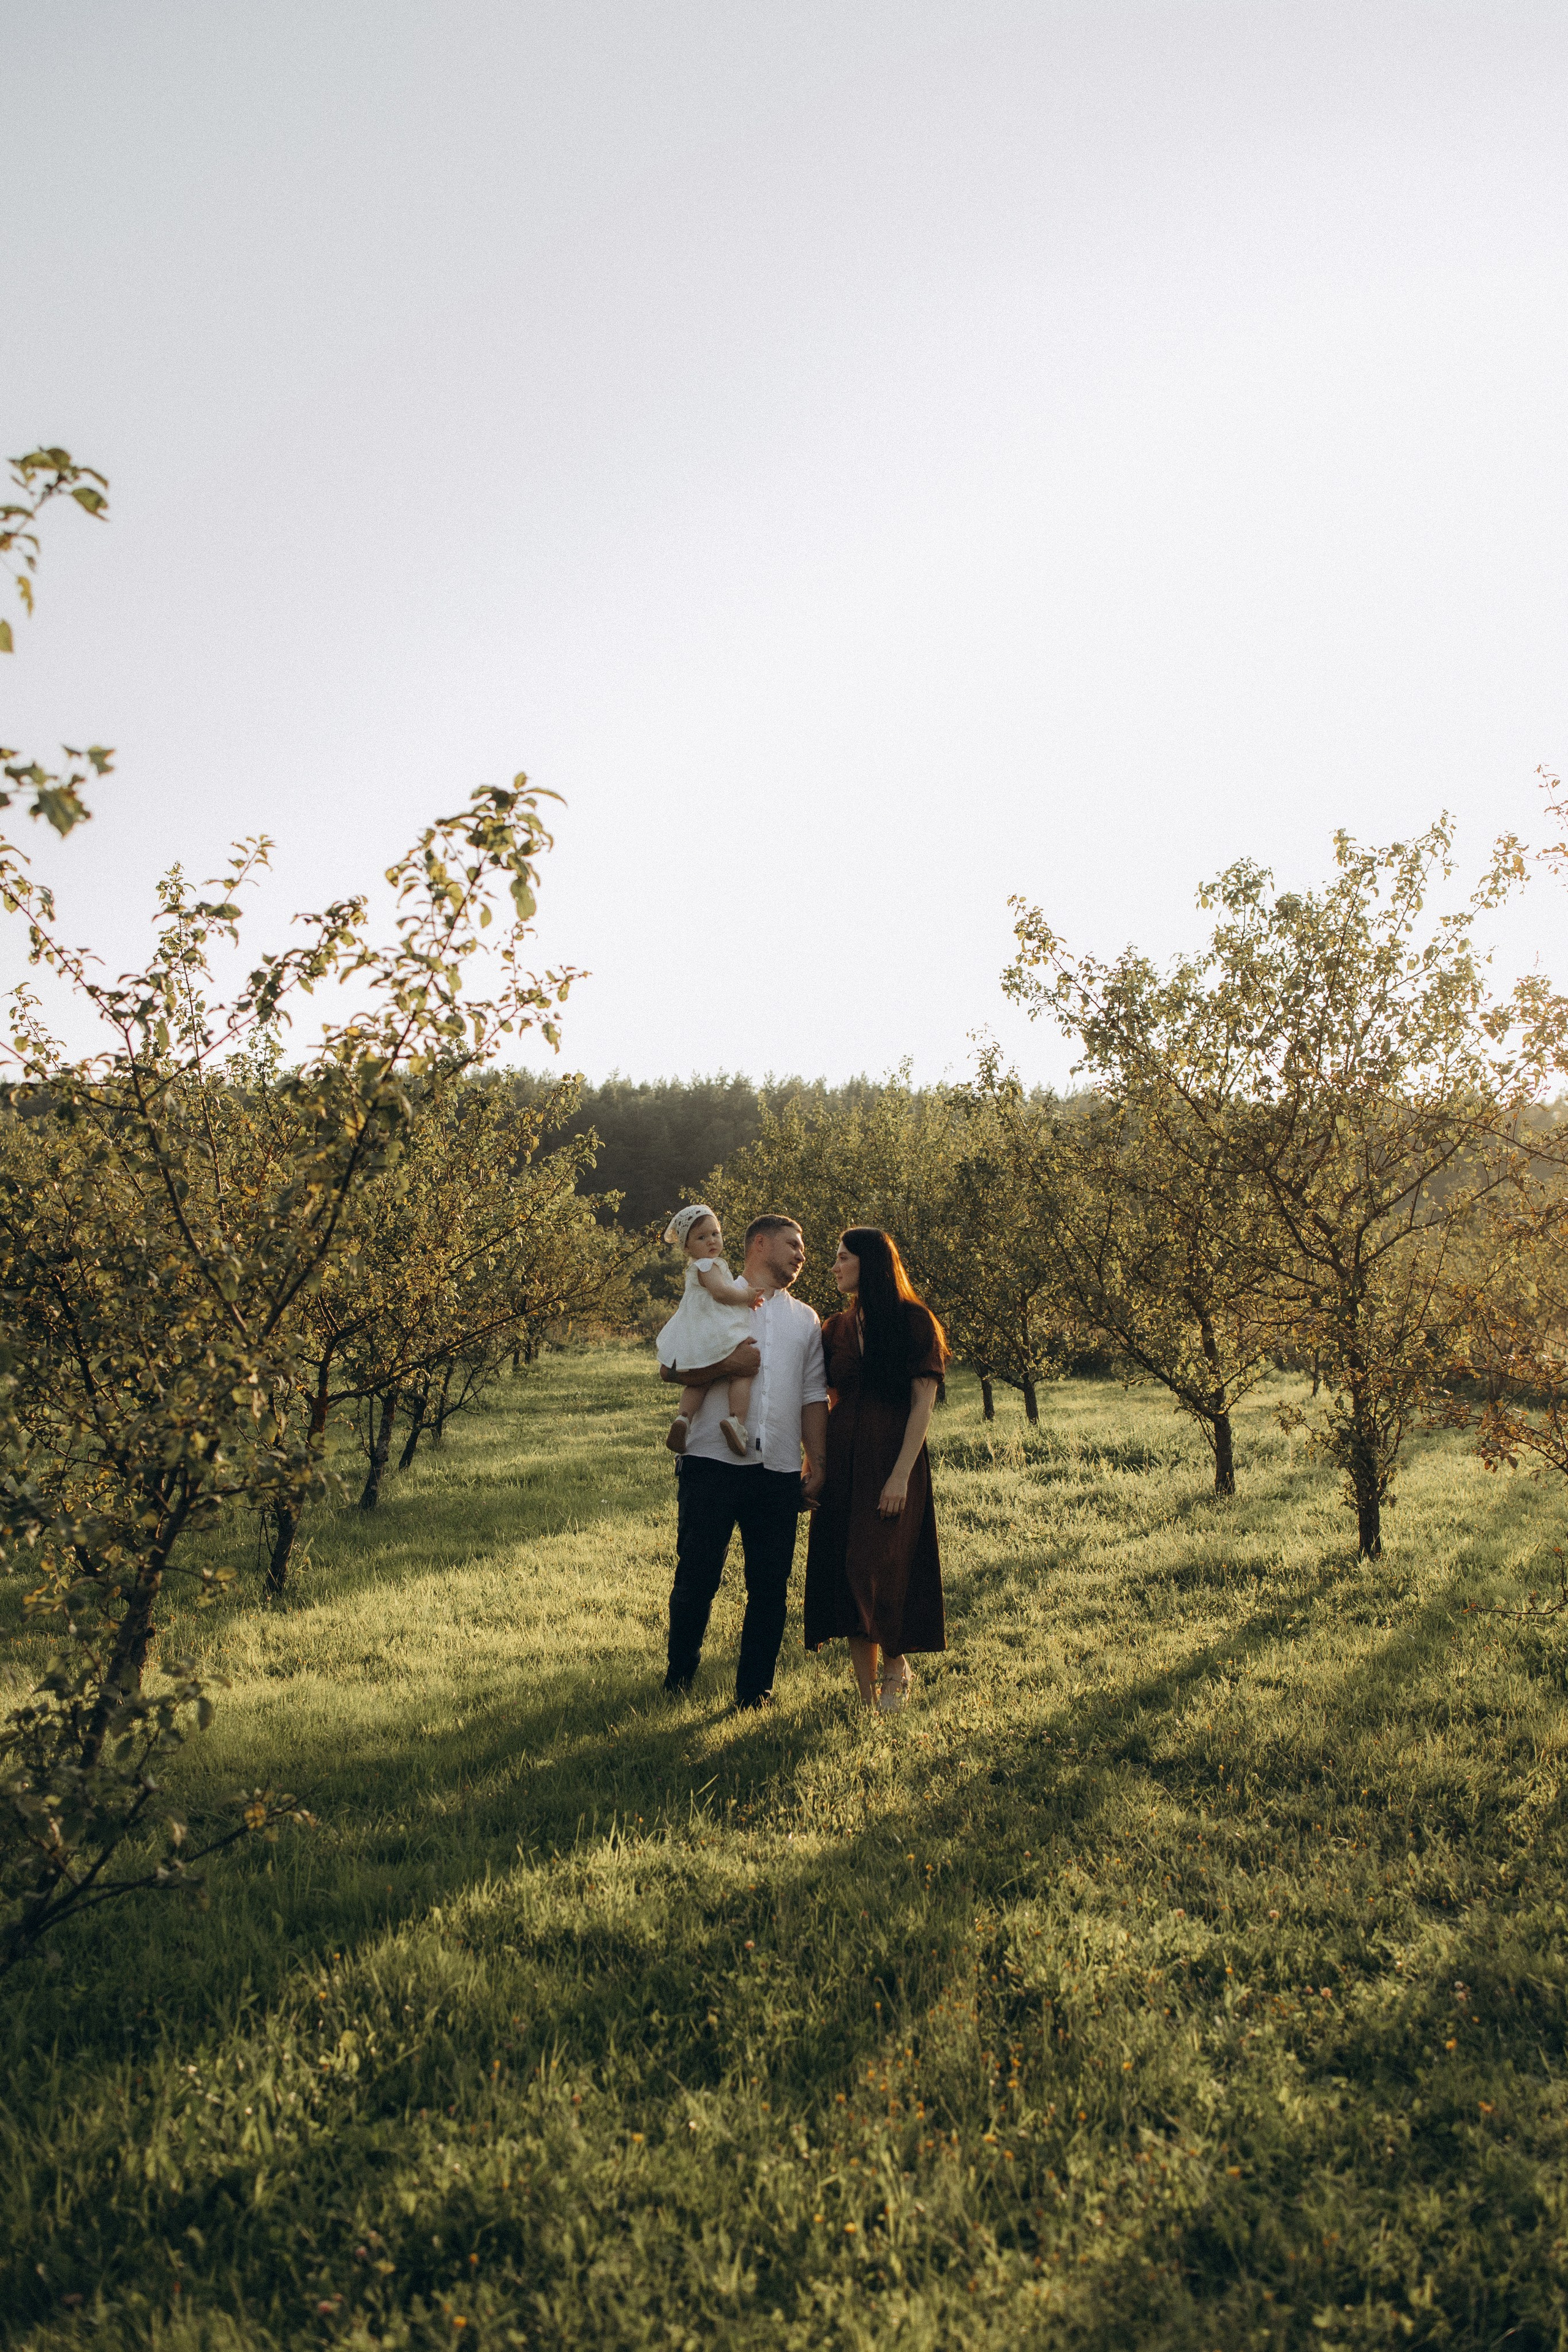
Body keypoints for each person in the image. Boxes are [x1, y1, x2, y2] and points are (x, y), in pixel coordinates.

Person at [658, 1213, 828, 1709]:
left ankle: (755, 1692)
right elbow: (671, 1367)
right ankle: (678, 1681)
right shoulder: (713, 1295)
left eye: (803, 1247)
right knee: (697, 1578)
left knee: (770, 1588)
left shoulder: (806, 1320)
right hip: (711, 1461)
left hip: (776, 1469)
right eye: (793, 1244)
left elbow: (813, 1393)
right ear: (759, 1244)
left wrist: (817, 1462)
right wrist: (726, 1367)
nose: (801, 1254)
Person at [804, 1227, 949, 1709]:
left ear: (870, 1263)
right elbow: (825, 1399)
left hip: (892, 1459)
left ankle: (896, 1664)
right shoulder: (835, 1329)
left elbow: (923, 1402)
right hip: (843, 1462)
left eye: (843, 1258)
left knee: (880, 1564)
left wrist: (900, 1474)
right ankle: (868, 1699)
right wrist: (814, 1464)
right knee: (845, 1570)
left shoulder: (914, 1321)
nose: (835, 1266)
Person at [655, 1204, 759, 1457]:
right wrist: (746, 1295)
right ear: (687, 1248)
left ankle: (684, 1420)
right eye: (702, 1237)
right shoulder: (706, 1266)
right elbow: (722, 1293)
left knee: (702, 1380)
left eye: (715, 1234)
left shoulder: (700, 1267)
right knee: (742, 1373)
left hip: (698, 1335)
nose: (711, 1241)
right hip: (715, 1332)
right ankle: (736, 1421)